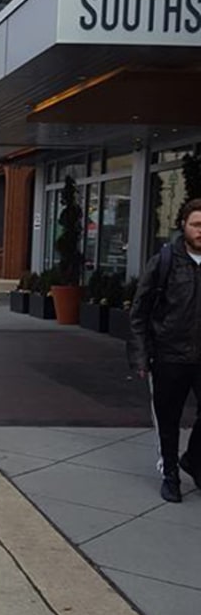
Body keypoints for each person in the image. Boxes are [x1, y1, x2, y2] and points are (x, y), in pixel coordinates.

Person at [128, 197, 201, 503]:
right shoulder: (166, 260)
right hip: (169, 356)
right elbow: (139, 312)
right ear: (182, 225)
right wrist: (141, 357)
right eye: (197, 224)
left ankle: (193, 460)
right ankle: (170, 474)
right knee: (168, 420)